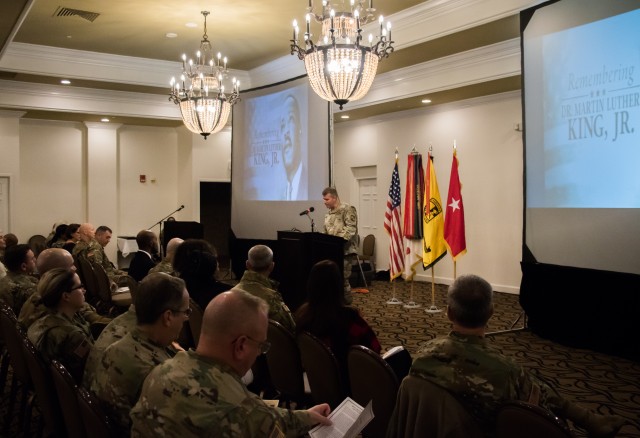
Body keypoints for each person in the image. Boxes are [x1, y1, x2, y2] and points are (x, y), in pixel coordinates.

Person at [405, 274, 626, 438]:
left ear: (448, 313)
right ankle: (589, 420)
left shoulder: (422, 354)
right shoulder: (506, 371)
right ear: (491, 313)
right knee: (535, 385)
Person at [130, 289, 332, 437]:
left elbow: (262, 417)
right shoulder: (238, 409)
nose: (259, 354)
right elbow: (254, 417)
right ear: (241, 345)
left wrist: (306, 417)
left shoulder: (161, 370)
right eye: (261, 346)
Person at [86, 273, 186, 436]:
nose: (186, 319)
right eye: (186, 312)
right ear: (168, 317)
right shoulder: (156, 372)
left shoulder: (121, 344)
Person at [295, 259, 381, 387]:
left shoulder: (302, 316)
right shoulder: (349, 318)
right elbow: (374, 349)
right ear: (338, 286)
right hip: (349, 382)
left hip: (316, 379)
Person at [27, 268, 94, 381]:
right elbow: (93, 368)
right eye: (79, 287)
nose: (84, 290)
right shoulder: (72, 335)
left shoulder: (41, 319)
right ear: (66, 296)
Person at [18, 248, 111, 330]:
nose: (75, 268)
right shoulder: (58, 300)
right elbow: (94, 320)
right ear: (56, 272)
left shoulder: (41, 292)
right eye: (71, 265)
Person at [234, 244, 295, 332]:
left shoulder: (232, 293)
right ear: (272, 266)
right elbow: (290, 328)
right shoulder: (272, 298)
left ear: (247, 264)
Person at [172, 239, 231, 313]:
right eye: (214, 258)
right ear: (208, 261)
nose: (217, 263)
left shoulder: (173, 290)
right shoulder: (226, 294)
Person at [322, 186, 358, 304]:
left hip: (345, 251)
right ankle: (335, 303)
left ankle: (347, 304)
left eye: (326, 199)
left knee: (343, 279)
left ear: (334, 198)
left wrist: (337, 242)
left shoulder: (348, 209)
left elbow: (350, 229)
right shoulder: (328, 215)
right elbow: (325, 232)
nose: (324, 202)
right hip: (332, 251)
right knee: (332, 278)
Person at [280, 94, 307, 200]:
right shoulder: (281, 195)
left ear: (300, 130)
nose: (286, 132)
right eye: (282, 125)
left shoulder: (311, 184)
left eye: (291, 120)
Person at [0, 244, 38, 315]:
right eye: (32, 259)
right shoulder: (29, 288)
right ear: (23, 266)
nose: (35, 260)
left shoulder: (3, 280)